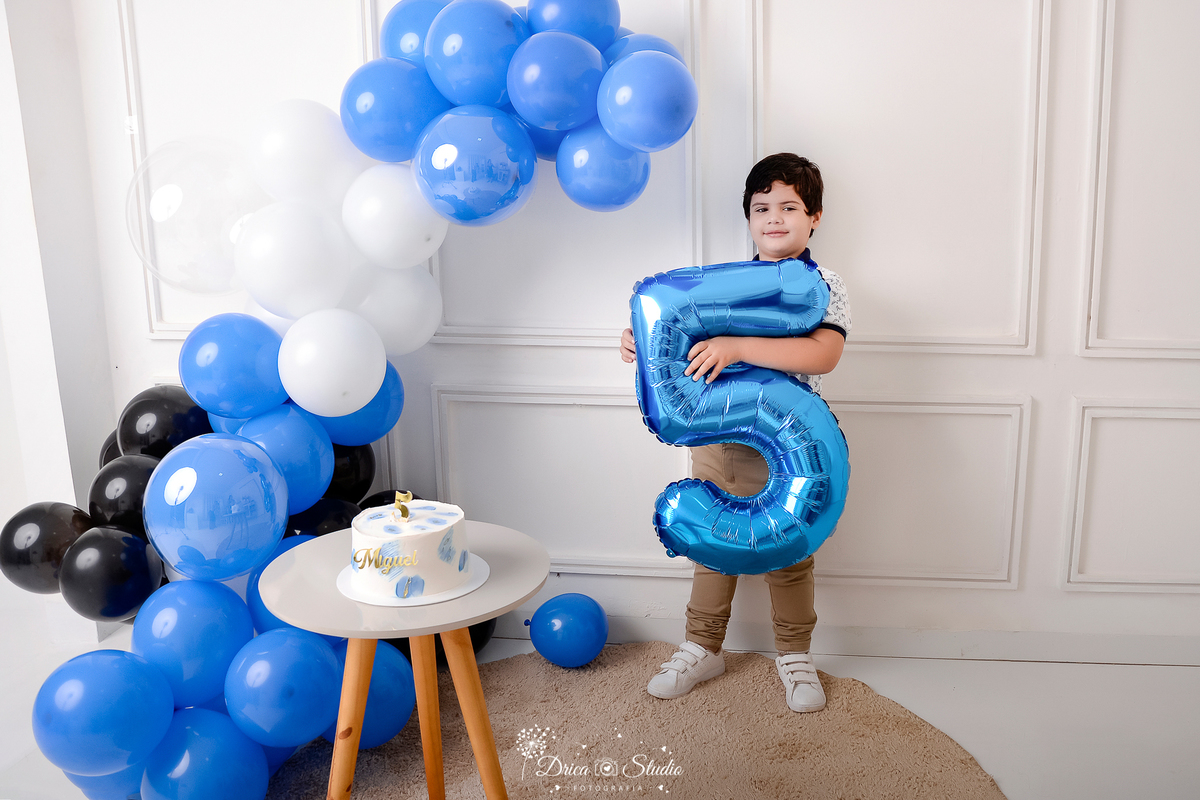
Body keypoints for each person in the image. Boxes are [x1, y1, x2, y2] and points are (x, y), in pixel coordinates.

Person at [619, 153, 852, 713]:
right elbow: (679, 339)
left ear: (814, 216)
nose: (775, 217)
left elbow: (825, 353)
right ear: (748, 218)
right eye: (762, 207)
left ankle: (794, 654)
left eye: (789, 206)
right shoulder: (725, 286)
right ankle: (702, 645)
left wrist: (739, 347)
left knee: (789, 551)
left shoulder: (823, 283)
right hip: (719, 439)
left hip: (793, 447)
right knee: (712, 543)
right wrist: (640, 341)